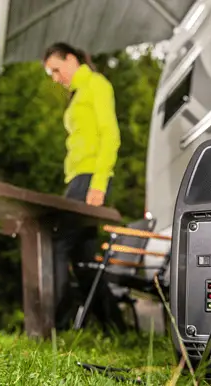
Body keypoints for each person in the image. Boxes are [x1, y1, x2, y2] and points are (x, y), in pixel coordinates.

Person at [42, 42, 126, 332]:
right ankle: (117, 328)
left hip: (89, 178)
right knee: (83, 258)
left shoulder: (96, 84)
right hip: (78, 177)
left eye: (56, 69)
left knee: (58, 245)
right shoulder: (77, 94)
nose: (54, 77)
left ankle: (51, 325)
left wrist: (99, 183)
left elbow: (110, 134)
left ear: (72, 59)